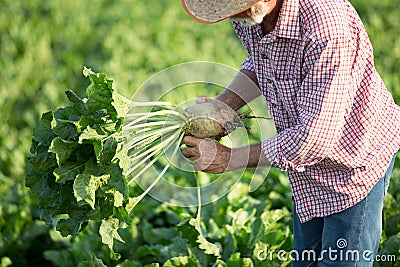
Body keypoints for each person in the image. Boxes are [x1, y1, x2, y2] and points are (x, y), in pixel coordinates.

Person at [180, 0, 400, 266]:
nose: (233, 15)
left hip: (353, 160)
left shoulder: (327, 25)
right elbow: (263, 61)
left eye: (237, 6)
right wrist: (223, 106)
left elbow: (313, 137)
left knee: (342, 261)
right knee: (306, 260)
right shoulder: (250, 17)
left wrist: (228, 159)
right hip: (304, 167)